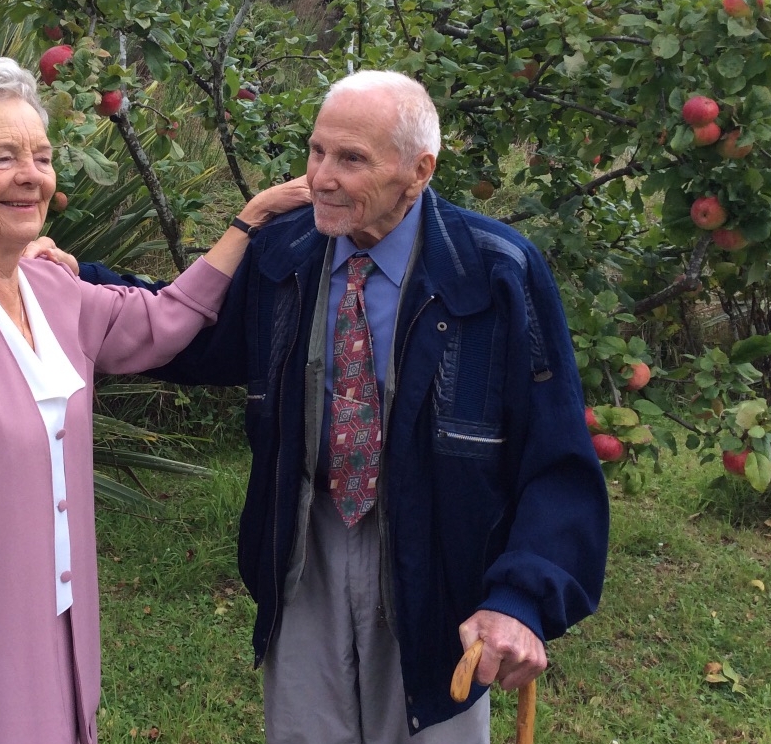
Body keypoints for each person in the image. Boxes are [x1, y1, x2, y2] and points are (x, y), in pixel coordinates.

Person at [38, 70, 610, 743]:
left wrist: (521, 598)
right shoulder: (286, 252)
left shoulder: (494, 272)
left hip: (440, 564)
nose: (322, 177)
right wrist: (83, 286)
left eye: (351, 159)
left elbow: (556, 458)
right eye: (316, 152)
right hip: (306, 547)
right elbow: (197, 338)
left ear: (418, 171)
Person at [0, 53, 310, 744]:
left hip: (56, 652)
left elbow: (166, 320)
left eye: (42, 156)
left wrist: (250, 220)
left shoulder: (50, 289)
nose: (31, 175)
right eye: (3, 157)